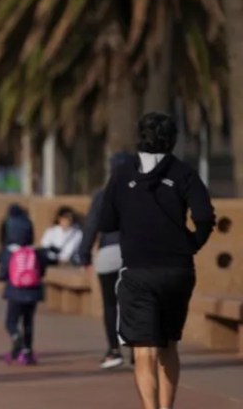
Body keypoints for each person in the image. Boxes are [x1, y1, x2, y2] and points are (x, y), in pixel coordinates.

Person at [98, 112, 215, 409]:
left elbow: (106, 221)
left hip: (138, 271)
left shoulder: (123, 174)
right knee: (169, 345)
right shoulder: (184, 172)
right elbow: (204, 218)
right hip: (178, 271)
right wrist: (189, 245)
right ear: (173, 139)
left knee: (144, 352)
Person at [79, 152, 134, 370]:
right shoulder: (142, 193)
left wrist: (84, 255)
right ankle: (138, 352)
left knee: (110, 305)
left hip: (108, 253)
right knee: (133, 304)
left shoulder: (102, 196)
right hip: (135, 255)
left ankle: (114, 351)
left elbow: (91, 226)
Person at [0, 203, 44, 365]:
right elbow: (41, 271)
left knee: (11, 322)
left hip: (15, 292)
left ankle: (16, 337)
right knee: (28, 322)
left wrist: (4, 277)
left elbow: (2, 274)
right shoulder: (35, 251)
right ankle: (27, 352)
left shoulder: (9, 252)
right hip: (33, 292)